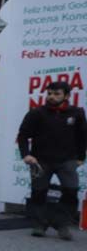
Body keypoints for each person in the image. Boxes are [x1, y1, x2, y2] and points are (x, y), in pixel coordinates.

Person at [17, 81, 86, 240]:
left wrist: (81, 157)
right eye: (49, 94)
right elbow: (22, 135)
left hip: (67, 160)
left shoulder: (77, 113)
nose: (51, 97)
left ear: (66, 96)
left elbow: (82, 137)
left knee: (71, 191)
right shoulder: (36, 113)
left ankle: (62, 224)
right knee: (38, 192)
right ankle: (39, 224)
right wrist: (26, 154)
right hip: (40, 161)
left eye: (56, 94)